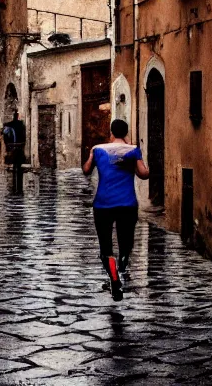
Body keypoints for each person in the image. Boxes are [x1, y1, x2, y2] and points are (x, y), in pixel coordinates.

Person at [82, 119, 149, 301]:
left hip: (103, 204)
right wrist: (136, 159)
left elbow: (86, 170)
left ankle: (113, 278)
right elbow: (144, 174)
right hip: (127, 204)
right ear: (126, 132)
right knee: (125, 242)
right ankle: (122, 266)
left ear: (111, 132)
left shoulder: (98, 149)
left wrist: (90, 155)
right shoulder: (133, 150)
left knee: (106, 246)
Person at [3, 111, 26, 193]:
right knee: (18, 167)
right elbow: (24, 136)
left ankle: (14, 187)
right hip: (19, 147)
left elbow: (5, 135)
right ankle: (19, 188)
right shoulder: (21, 125)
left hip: (12, 147)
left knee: (14, 167)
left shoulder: (9, 125)